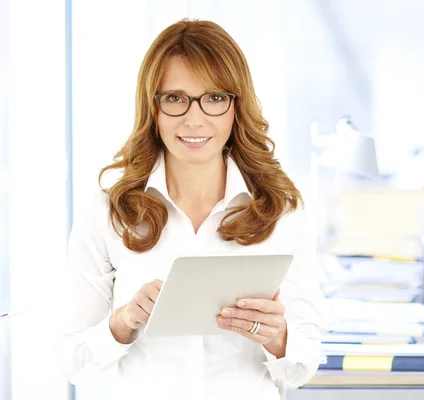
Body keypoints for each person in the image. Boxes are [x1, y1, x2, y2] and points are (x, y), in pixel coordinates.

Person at [56, 19, 323, 400]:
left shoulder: (280, 212)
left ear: (236, 105)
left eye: (214, 98)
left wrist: (279, 339)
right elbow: (72, 361)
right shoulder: (109, 213)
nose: (194, 119)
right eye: (175, 98)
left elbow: (304, 363)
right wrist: (123, 322)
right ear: (154, 107)